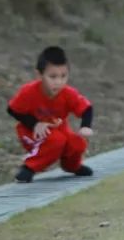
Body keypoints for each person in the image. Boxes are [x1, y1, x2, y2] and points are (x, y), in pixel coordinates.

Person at [8, 46, 95, 183]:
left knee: (77, 143)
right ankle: (29, 167)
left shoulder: (68, 93)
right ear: (39, 75)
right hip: (31, 132)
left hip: (59, 131)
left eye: (63, 76)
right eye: (52, 77)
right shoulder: (29, 92)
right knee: (56, 140)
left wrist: (86, 126)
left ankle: (73, 167)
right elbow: (13, 109)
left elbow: (86, 108)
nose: (58, 82)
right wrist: (35, 124)